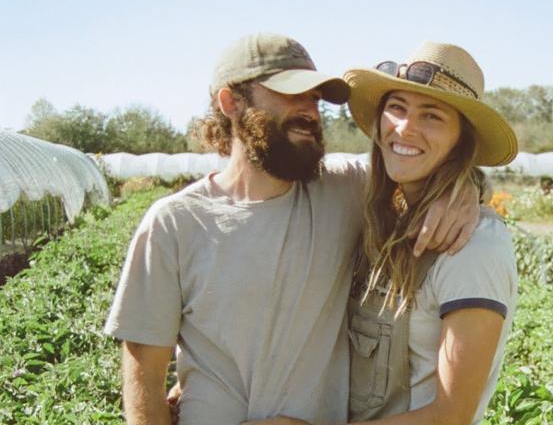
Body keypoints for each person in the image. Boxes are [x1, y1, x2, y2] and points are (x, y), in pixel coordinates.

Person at [104, 33, 481, 425]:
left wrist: (466, 189)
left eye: (315, 99)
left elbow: (425, 164)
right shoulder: (175, 223)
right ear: (231, 102)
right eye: (291, 95)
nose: (309, 112)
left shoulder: (344, 189)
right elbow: (144, 376)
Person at [251, 42, 519, 425]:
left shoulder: (473, 247)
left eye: (432, 116)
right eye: (397, 108)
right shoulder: (376, 206)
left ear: (462, 140)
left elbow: (450, 414)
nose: (405, 129)